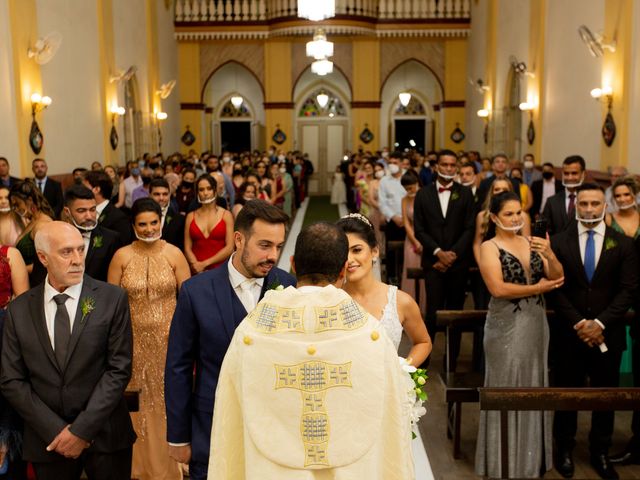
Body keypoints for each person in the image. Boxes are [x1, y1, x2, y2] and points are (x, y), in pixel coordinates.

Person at [207, 222, 414, 479]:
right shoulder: (369, 334)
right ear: (342, 271)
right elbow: (391, 426)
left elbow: (230, 421)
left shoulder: (252, 332)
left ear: (293, 264)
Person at [165, 200, 296, 480]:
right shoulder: (195, 292)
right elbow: (178, 366)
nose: (273, 255)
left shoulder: (290, 286)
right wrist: (178, 437)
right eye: (264, 245)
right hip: (212, 428)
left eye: (278, 246)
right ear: (239, 239)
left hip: (276, 432)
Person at [0, 221, 136, 479]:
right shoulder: (19, 310)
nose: (77, 260)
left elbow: (118, 370)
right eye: (66, 252)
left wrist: (80, 431)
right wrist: (56, 431)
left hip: (106, 438)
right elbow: (11, 380)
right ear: (42, 258)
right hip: (48, 443)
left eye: (80, 250)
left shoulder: (112, 298)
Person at [550, 183, 639, 480]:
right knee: (567, 394)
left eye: (595, 204)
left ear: (605, 206)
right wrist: (580, 324)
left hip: (607, 334)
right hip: (568, 333)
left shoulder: (623, 244)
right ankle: (563, 449)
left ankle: (600, 452)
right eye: (584, 203)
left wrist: (599, 323)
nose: (589, 209)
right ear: (577, 206)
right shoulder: (559, 242)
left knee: (605, 397)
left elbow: (628, 290)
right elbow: (555, 289)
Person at [475, 191, 564, 478]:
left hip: (536, 324)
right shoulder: (490, 246)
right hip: (505, 327)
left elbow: (557, 276)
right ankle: (503, 460)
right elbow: (498, 289)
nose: (515, 218)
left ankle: (531, 458)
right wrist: (538, 289)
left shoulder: (532, 241)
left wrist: (549, 253)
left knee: (535, 381)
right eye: (509, 213)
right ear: (494, 217)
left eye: (519, 212)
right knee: (507, 384)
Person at [108, 198, 190, 480]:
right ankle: (136, 467)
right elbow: (111, 306)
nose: (148, 228)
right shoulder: (121, 257)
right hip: (131, 347)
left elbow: (188, 301)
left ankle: (171, 468)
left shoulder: (175, 254)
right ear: (133, 226)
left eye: (153, 222)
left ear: (161, 222)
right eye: (142, 224)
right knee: (135, 405)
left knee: (169, 402)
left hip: (170, 345)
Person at [337, 213, 431, 364]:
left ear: (374, 251)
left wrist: (402, 371)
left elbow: (423, 342)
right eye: (342, 252)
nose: (348, 260)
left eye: (357, 250)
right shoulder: (331, 299)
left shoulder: (401, 301)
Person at [413, 149, 475, 369]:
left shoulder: (466, 194)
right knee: (432, 313)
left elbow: (469, 228)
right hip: (433, 263)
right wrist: (438, 252)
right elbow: (419, 229)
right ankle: (424, 362)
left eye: (452, 165)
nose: (448, 168)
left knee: (455, 312)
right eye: (444, 164)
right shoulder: (423, 194)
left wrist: (452, 255)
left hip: (458, 263)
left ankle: (452, 360)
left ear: (456, 167)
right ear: (436, 166)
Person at [605, 176, 640, 468]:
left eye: (627, 193)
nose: (623, 197)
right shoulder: (607, 219)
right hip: (616, 293)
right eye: (618, 194)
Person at [32, 185, 121, 284]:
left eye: (92, 209)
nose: (89, 216)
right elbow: (39, 279)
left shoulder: (111, 239)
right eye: (81, 211)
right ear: (67, 212)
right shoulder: (50, 237)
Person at [0, 244, 29, 479]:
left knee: (7, 391)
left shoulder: (9, 254)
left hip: (4, 335)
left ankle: (4, 448)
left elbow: (22, 305)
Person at [184, 175, 234, 274]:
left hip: (220, 270)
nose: (205, 193)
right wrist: (196, 265)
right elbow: (187, 248)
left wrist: (204, 264)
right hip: (196, 270)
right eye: (201, 189)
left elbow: (230, 247)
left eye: (209, 189)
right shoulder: (190, 216)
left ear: (215, 190)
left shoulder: (226, 215)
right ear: (197, 192)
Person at [9, 180, 54, 282]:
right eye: (13, 206)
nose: (16, 209)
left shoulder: (43, 224)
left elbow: (47, 262)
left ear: (29, 200)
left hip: (38, 281)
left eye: (17, 204)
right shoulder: (33, 221)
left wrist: (16, 269)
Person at [398, 171, 427, 315]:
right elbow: (406, 223)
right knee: (410, 270)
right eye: (406, 189)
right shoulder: (404, 200)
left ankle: (425, 308)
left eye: (411, 187)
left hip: (427, 237)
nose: (409, 191)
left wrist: (423, 241)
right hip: (411, 240)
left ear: (417, 183)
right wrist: (415, 241)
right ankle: (410, 309)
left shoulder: (426, 196)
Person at [378, 152, 407, 284]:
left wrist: (406, 218)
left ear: (401, 163)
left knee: (407, 252)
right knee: (391, 252)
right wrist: (393, 217)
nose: (393, 165)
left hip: (409, 221)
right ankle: (391, 278)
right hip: (393, 221)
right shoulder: (384, 181)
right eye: (390, 163)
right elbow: (382, 202)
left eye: (395, 163)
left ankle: (405, 277)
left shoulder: (409, 177)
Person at [83, 170, 132, 244]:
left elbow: (123, 245)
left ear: (96, 189)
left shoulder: (118, 217)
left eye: (85, 188)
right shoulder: (85, 212)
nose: (81, 191)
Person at [542, 155, 585, 235]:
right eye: (566, 173)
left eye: (574, 173)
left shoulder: (590, 200)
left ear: (582, 174)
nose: (570, 177)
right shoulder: (552, 202)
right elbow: (544, 231)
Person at [149, 178, 185, 250]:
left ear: (169, 195)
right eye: (157, 194)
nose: (161, 198)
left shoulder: (179, 219)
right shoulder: (140, 217)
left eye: (165, 194)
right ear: (150, 195)